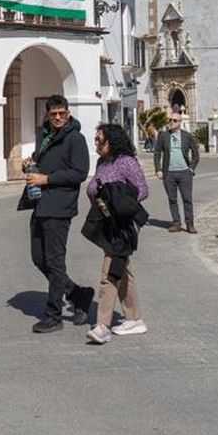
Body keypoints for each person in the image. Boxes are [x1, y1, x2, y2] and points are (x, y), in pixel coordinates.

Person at [25, 95, 93, 333]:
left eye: (61, 113)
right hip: (41, 204)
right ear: (48, 114)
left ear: (68, 112)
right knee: (38, 258)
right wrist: (32, 164)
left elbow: (80, 172)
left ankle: (53, 316)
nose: (57, 117)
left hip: (60, 206)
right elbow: (46, 162)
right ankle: (77, 293)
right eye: (53, 113)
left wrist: (48, 179)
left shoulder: (76, 139)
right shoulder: (45, 136)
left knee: (54, 262)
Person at [82, 123, 149, 344]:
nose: (97, 144)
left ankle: (102, 326)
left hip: (123, 225)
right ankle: (134, 318)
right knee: (122, 272)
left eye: (100, 140)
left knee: (109, 273)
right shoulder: (102, 162)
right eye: (96, 139)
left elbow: (143, 189)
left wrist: (119, 202)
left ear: (113, 141)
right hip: (107, 224)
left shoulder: (126, 163)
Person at [152, 112, 199, 234]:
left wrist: (191, 168)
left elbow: (196, 154)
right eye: (170, 120)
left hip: (185, 173)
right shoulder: (163, 136)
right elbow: (157, 153)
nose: (171, 122)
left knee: (187, 199)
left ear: (180, 122)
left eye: (174, 120)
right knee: (172, 199)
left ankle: (190, 224)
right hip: (169, 173)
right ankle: (176, 223)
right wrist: (158, 169)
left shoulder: (187, 136)